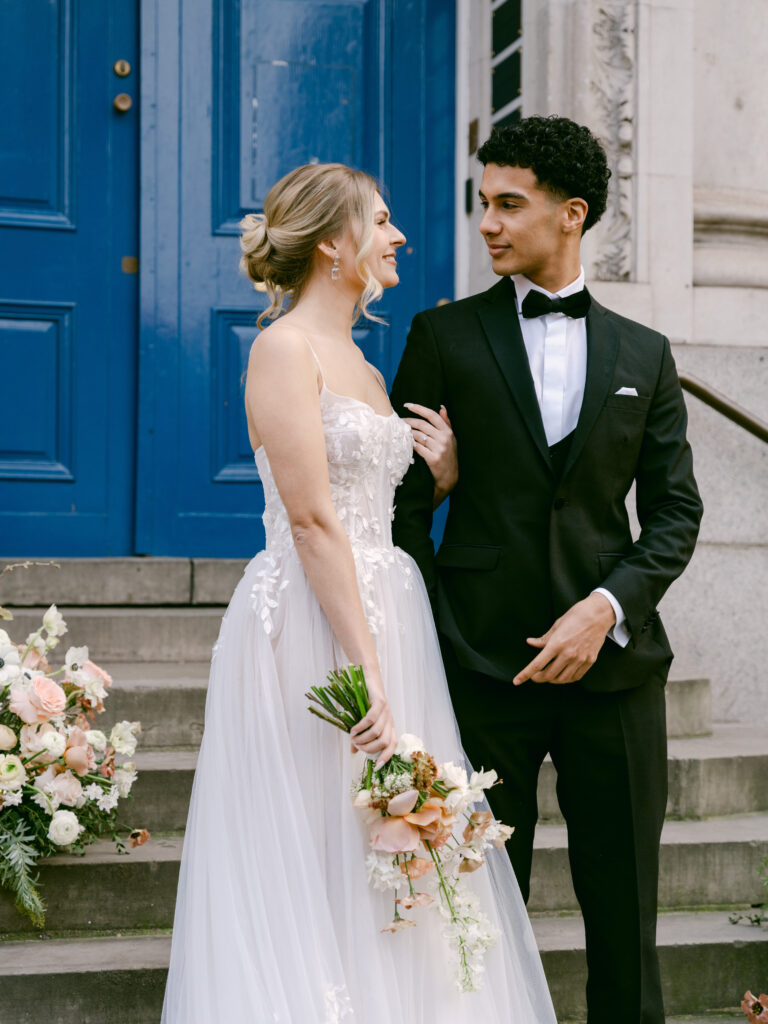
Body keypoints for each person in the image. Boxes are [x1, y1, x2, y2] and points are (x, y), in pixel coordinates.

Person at [161, 163, 556, 1023]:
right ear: (335, 241)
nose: (398, 236)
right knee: (313, 831)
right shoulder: (281, 349)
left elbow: (370, 501)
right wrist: (365, 665)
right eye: (381, 221)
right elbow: (310, 519)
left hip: (389, 610)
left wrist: (442, 479)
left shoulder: (370, 372)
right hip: (311, 620)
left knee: (387, 828)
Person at [391, 117, 703, 1024]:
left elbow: (675, 514)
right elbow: (402, 508)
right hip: (483, 667)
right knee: (478, 917)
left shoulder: (645, 354)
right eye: (481, 203)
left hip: (614, 672)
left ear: (570, 215)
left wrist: (606, 609)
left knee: (625, 914)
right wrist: (440, 636)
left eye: (507, 205)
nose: (486, 223)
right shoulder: (441, 335)